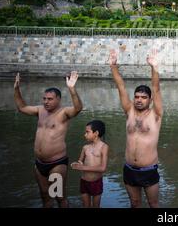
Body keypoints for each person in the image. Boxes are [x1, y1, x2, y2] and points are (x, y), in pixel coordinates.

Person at [13, 71, 82, 208]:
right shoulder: (40, 111)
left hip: (56, 163)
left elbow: (78, 108)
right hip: (39, 164)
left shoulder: (63, 113)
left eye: (50, 99)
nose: (46, 102)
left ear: (58, 100)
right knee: (45, 196)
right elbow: (22, 108)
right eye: (44, 98)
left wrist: (72, 89)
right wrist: (16, 89)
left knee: (59, 196)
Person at [109, 48, 163, 208]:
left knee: (153, 204)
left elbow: (156, 88)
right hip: (129, 169)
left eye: (143, 97)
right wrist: (113, 66)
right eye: (137, 97)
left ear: (150, 100)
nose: (139, 100)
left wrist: (154, 67)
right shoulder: (129, 111)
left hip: (148, 169)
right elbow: (121, 87)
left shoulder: (156, 114)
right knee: (134, 203)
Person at [71, 120, 109, 208]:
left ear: (96, 133)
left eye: (87, 132)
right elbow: (80, 161)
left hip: (96, 182)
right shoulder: (85, 147)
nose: (85, 134)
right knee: (86, 206)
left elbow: (103, 168)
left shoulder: (104, 147)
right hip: (84, 181)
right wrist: (77, 164)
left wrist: (83, 168)